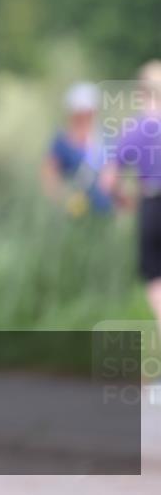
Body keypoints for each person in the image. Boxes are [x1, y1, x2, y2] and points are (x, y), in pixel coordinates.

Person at [100, 61, 161, 353]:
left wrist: (123, 200)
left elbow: (109, 179)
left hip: (151, 206)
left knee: (157, 288)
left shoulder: (135, 129)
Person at [41, 82, 114, 218]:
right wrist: (61, 199)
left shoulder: (105, 137)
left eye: (87, 111)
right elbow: (49, 174)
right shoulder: (62, 141)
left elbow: (113, 171)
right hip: (72, 212)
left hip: (103, 210)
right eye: (80, 112)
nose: (84, 116)